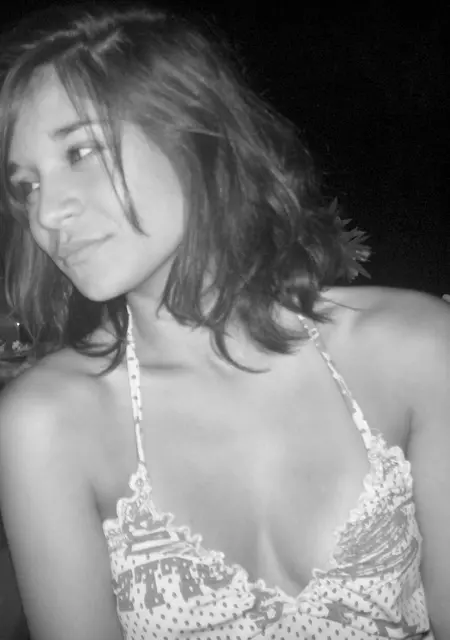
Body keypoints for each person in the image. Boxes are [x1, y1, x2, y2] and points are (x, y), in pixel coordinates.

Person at [0, 4, 448, 640]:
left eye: (80, 151)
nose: (47, 214)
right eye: (26, 186)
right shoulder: (47, 423)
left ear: (193, 134)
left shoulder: (416, 350)